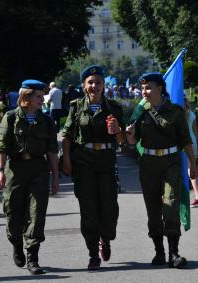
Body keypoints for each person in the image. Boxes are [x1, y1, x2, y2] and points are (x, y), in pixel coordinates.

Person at [125, 73, 196, 268]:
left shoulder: (175, 111)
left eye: (148, 87)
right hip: (148, 164)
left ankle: (174, 253)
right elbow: (132, 142)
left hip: (171, 162)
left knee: (171, 204)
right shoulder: (140, 112)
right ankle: (159, 251)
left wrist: (193, 163)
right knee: (153, 210)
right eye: (142, 88)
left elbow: (186, 140)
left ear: (160, 89)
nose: (144, 92)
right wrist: (130, 136)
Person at [61, 65, 125, 270]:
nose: (94, 85)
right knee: (88, 208)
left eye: (98, 82)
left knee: (109, 207)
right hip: (83, 161)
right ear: (83, 85)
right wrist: (67, 161)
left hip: (106, 160)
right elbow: (67, 136)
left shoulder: (114, 107)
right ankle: (92, 254)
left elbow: (124, 141)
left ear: (103, 85)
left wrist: (117, 131)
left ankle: (105, 239)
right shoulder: (76, 106)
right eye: (90, 82)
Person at [0, 79, 59, 275]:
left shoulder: (46, 121)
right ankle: (16, 244)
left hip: (39, 169)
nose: (42, 99)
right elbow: (2, 146)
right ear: (26, 97)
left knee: (37, 214)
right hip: (15, 169)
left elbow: (52, 152)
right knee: (13, 213)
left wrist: (55, 177)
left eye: (42, 96)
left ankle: (33, 258)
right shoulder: (11, 117)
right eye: (38, 96)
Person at [183, 98, 198, 207]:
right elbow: (196, 133)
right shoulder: (191, 114)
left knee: (188, 170)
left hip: (184, 143)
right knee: (192, 168)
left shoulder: (178, 115)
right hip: (193, 142)